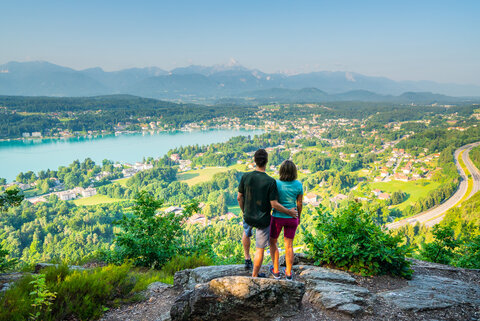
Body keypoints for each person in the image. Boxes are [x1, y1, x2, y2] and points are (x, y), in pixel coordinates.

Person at [237, 149, 298, 277]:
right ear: (266, 161)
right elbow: (274, 204)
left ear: (254, 161)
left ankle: (247, 258)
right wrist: (290, 212)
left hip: (248, 215)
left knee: (246, 233)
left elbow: (239, 197)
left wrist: (244, 211)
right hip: (263, 219)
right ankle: (254, 275)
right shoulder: (270, 181)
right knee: (260, 249)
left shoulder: (245, 176)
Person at [269, 160, 303, 280]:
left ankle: (276, 271)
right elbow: (299, 204)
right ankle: (288, 273)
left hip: (277, 218)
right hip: (292, 218)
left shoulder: (276, 184)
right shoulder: (299, 185)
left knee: (273, 242)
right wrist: (298, 217)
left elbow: (273, 202)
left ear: (281, 171)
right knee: (289, 246)